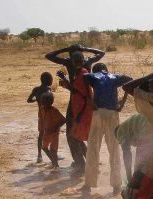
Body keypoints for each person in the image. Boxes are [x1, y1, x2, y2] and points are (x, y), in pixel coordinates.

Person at [45, 44, 105, 172]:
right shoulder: (86, 62)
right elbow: (101, 53)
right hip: (82, 101)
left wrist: (65, 49)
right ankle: (86, 160)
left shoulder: (71, 63)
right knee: (77, 133)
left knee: (72, 133)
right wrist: (85, 48)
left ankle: (81, 163)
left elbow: (49, 56)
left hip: (79, 102)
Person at [79, 63, 132, 196]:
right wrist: (122, 102)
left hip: (98, 113)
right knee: (114, 149)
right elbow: (130, 79)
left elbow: (85, 77)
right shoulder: (114, 77)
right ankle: (116, 185)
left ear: (96, 70)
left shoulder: (95, 75)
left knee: (93, 148)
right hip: (113, 113)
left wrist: (90, 99)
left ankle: (89, 184)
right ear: (106, 70)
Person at [27, 72, 53, 163]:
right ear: (48, 80)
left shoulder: (36, 89)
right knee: (52, 133)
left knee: (41, 134)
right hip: (48, 113)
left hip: (40, 113)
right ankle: (53, 154)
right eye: (51, 79)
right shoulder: (48, 89)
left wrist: (37, 99)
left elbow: (29, 100)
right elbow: (50, 98)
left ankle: (39, 155)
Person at [39, 92, 66, 168]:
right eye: (43, 102)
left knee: (53, 149)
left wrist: (54, 128)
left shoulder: (54, 110)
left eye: (47, 102)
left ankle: (55, 165)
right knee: (44, 147)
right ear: (42, 102)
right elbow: (41, 120)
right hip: (46, 132)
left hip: (54, 132)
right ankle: (54, 162)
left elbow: (63, 120)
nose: (45, 104)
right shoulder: (41, 109)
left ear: (51, 102)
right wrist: (41, 130)